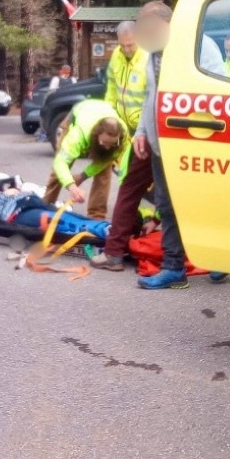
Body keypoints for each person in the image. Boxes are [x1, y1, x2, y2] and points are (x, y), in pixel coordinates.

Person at [129, 1, 227, 289]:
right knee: (166, 204)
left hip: (196, 141)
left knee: (203, 200)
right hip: (162, 143)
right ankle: (173, 268)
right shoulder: (152, 53)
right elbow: (151, 95)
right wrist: (141, 131)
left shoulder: (201, 46)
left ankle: (219, 257)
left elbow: (219, 91)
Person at [90, 20, 152, 271]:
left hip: (145, 131)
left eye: (131, 45)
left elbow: (150, 99)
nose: (127, 50)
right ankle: (122, 244)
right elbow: (112, 92)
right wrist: (110, 120)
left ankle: (115, 251)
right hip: (126, 130)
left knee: (131, 188)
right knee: (131, 186)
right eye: (123, 46)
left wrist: (142, 132)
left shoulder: (148, 58)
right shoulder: (116, 57)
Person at [42, 98, 127, 218]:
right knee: (58, 172)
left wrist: (83, 176)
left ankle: (96, 216)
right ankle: (45, 208)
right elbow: (60, 163)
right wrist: (72, 186)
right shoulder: (77, 135)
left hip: (102, 110)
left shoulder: (122, 136)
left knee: (104, 171)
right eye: (104, 142)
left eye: (112, 144)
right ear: (96, 135)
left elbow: (106, 160)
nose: (107, 147)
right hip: (76, 116)